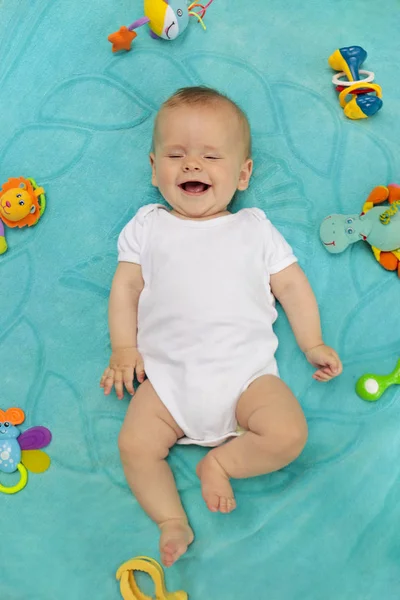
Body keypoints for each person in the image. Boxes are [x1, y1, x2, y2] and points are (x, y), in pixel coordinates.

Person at [100, 86, 343, 567]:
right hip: (169, 382)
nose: (192, 165)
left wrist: (311, 341)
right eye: (176, 155)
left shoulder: (254, 228)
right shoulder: (147, 226)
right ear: (154, 168)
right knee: (134, 445)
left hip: (245, 379)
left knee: (289, 433)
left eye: (210, 156)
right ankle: (171, 520)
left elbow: (292, 287)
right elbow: (125, 290)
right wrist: (124, 349)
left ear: (243, 173)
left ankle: (224, 463)